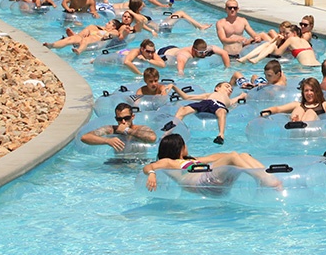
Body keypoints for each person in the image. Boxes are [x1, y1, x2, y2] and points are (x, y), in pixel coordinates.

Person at [142, 133, 280, 191]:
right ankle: (265, 180)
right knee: (232, 156)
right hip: (201, 183)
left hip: (212, 181)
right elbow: (150, 166)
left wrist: (242, 158)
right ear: (179, 147)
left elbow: (216, 156)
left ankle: (267, 176)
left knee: (241, 154)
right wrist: (152, 173)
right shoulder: (170, 162)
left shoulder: (192, 160)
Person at [171, 81, 247, 144]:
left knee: (222, 111)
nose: (230, 89)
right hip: (206, 103)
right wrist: (173, 87)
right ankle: (170, 130)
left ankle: (220, 135)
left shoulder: (229, 100)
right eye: (227, 86)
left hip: (219, 105)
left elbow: (238, 98)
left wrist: (242, 95)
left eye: (231, 89)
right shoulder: (210, 94)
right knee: (183, 109)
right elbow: (186, 97)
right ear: (217, 88)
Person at [260, 77, 326, 121]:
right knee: (298, 109)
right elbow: (278, 109)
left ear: (317, 91)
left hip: (313, 131)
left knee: (310, 112)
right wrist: (267, 111)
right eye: (306, 91)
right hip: (297, 132)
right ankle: (296, 124)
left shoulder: (324, 105)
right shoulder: (298, 105)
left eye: (312, 90)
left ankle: (301, 124)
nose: (309, 93)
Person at [80, 102, 157, 153]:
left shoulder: (141, 129)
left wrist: (127, 130)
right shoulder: (111, 130)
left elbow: (152, 138)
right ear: (116, 119)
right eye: (119, 119)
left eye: (126, 118)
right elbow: (85, 137)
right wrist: (107, 141)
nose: (123, 122)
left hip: (137, 162)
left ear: (132, 117)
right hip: (118, 163)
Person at [43, 19, 128, 53]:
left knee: (85, 41)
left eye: (109, 23)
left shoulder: (114, 31)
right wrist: (87, 30)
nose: (106, 23)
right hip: (83, 37)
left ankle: (79, 51)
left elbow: (115, 34)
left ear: (113, 26)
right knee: (70, 39)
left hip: (94, 40)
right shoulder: (97, 27)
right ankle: (52, 45)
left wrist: (108, 34)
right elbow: (88, 29)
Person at [159, 37, 232, 74]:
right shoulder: (185, 54)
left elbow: (224, 53)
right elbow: (180, 69)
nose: (203, 54)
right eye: (200, 53)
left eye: (205, 52)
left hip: (175, 48)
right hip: (165, 52)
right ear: (194, 50)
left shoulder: (207, 48)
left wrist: (227, 69)